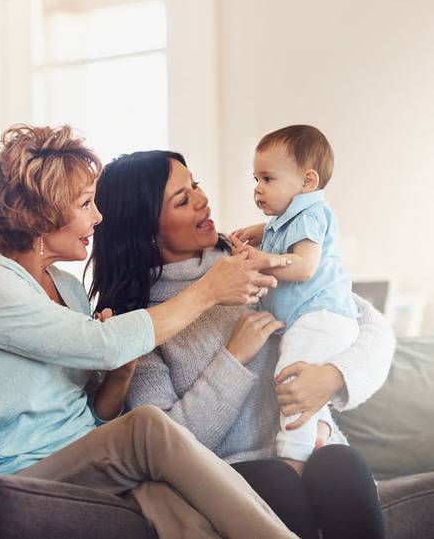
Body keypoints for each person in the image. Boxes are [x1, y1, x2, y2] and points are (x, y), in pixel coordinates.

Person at [0, 124, 296, 539]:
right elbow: (101, 345)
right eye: (86, 203)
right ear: (42, 211)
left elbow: (91, 413)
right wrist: (208, 291)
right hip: (11, 471)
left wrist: (121, 375)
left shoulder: (67, 288)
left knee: (173, 505)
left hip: (84, 460)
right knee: (147, 427)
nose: (98, 217)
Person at [88, 149, 393, 539]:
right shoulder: (142, 323)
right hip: (230, 473)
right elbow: (166, 443)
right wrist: (234, 358)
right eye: (182, 200)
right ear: (147, 230)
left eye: (194, 185)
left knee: (341, 464)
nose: (202, 199)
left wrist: (334, 377)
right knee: (275, 481)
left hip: (312, 451)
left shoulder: (257, 257)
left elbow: (369, 325)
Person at [229, 125, 361, 475]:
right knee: (300, 379)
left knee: (291, 379)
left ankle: (293, 460)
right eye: (255, 178)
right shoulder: (291, 218)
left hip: (322, 318)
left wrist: (265, 259)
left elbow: (304, 266)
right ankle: (319, 434)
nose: (257, 189)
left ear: (307, 182)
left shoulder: (311, 214)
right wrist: (261, 232)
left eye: (268, 179)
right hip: (316, 320)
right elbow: (283, 232)